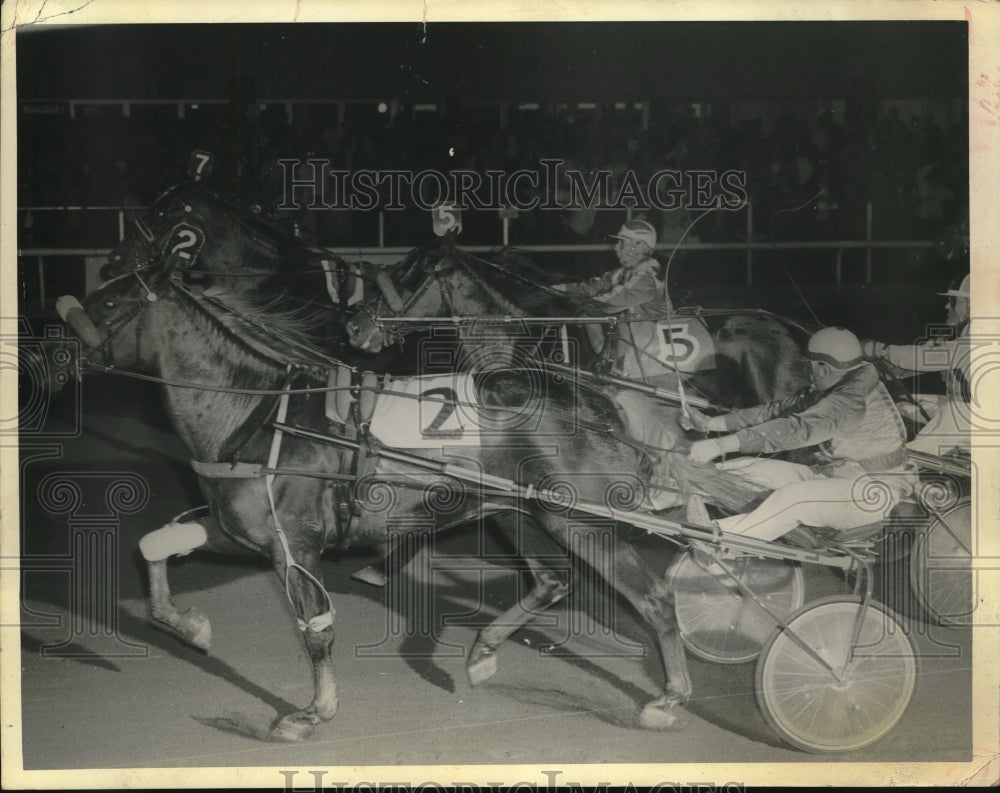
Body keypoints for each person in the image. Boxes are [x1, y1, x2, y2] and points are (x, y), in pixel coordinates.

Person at [680, 327, 915, 544]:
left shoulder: (851, 401)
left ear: (823, 367)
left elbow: (797, 429)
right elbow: (775, 411)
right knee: (742, 468)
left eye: (810, 365)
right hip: (836, 478)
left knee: (794, 498)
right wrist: (710, 422)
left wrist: (720, 445)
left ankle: (715, 539)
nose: (809, 373)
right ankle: (663, 496)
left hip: (875, 493)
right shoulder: (840, 384)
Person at [861, 273, 970, 457]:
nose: (946, 306)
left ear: (971, 305)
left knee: (956, 412)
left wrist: (878, 349)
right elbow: (912, 365)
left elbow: (927, 358)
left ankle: (910, 460)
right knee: (900, 404)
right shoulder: (959, 338)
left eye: (952, 300)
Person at [558, 219, 674, 381]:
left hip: (654, 352)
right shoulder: (626, 272)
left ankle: (610, 367)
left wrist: (568, 304)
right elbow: (596, 286)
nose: (615, 248)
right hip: (636, 343)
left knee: (587, 315)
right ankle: (608, 364)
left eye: (622, 243)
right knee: (587, 316)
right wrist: (559, 289)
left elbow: (606, 303)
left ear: (638, 245)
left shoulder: (645, 277)